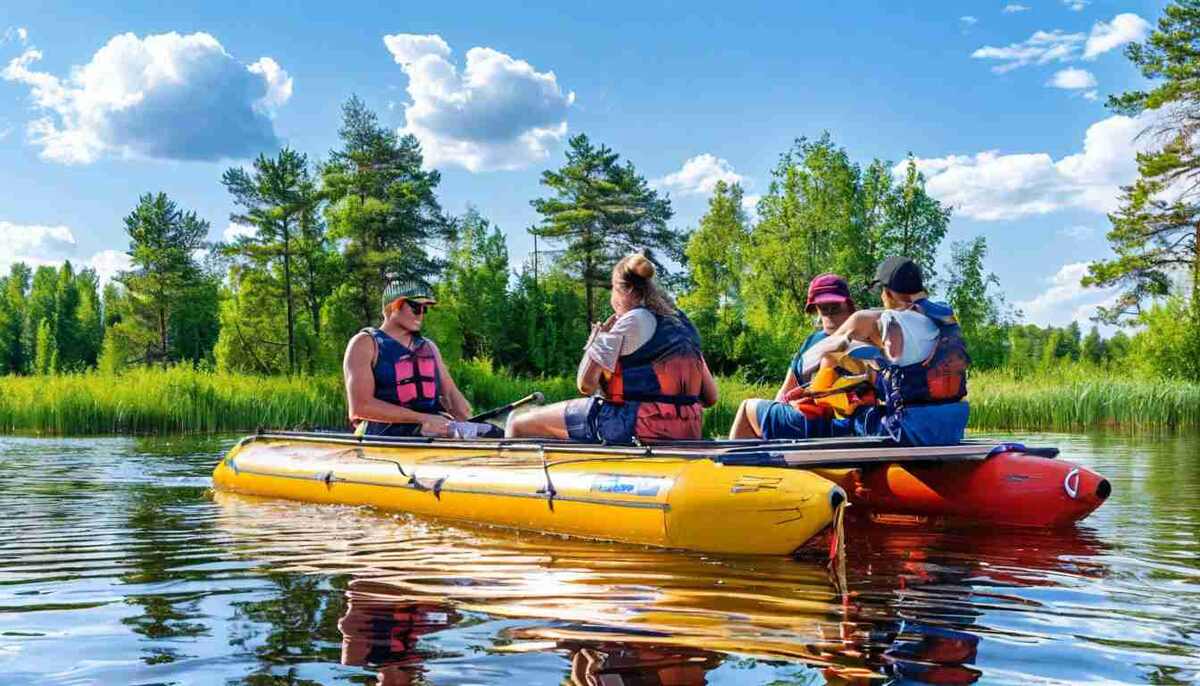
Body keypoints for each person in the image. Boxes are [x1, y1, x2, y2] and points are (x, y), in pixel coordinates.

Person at [733, 257, 970, 446]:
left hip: (906, 432)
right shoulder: (946, 321)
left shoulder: (871, 320)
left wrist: (829, 359)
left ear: (886, 293)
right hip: (952, 426)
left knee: (749, 407)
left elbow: (814, 357)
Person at [507, 252, 719, 443]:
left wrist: (597, 338)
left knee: (518, 423)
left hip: (635, 424)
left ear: (623, 289)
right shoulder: (683, 323)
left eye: (612, 290)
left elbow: (586, 385)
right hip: (688, 428)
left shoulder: (632, 320)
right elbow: (710, 397)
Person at [727, 273, 855, 438]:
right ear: (815, 309)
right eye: (824, 308)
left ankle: (734, 462)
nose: (829, 314)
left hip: (838, 424)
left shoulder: (863, 335)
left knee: (747, 407)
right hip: (811, 421)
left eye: (835, 307)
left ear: (848, 305)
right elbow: (785, 392)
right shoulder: (811, 342)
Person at [343, 280, 475, 437]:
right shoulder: (364, 343)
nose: (421, 314)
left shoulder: (429, 347)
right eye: (415, 307)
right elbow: (360, 407)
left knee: (490, 431)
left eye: (424, 309)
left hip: (430, 434)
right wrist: (423, 419)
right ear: (393, 307)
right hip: (381, 438)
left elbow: (452, 396)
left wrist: (471, 424)